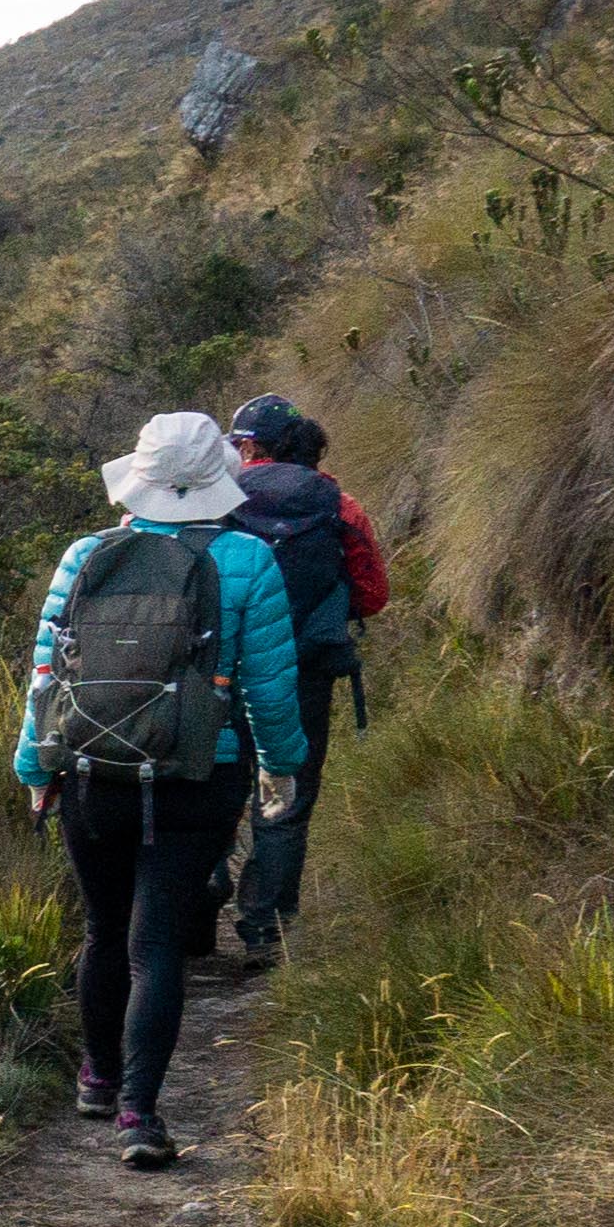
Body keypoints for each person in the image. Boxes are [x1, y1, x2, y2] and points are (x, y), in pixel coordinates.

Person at [17, 404, 312, 1169]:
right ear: (219, 474)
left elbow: (47, 677)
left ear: (138, 477)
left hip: (91, 774)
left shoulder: (87, 554)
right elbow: (270, 690)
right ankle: (140, 1115)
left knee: (103, 929)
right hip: (195, 776)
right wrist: (281, 767)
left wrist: (34, 769)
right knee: (156, 948)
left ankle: (97, 1076)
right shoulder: (248, 561)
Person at [211, 393, 385, 967]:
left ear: (253, 446)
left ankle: (197, 903)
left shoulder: (216, 498)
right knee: (287, 790)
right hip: (304, 668)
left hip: (221, 670)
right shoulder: (338, 501)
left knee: (214, 784)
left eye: (237, 442)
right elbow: (373, 593)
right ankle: (265, 927)